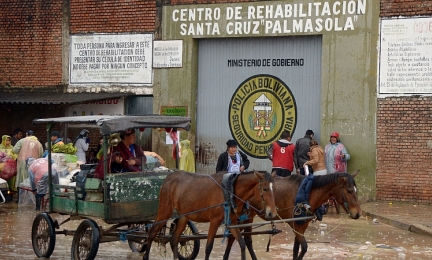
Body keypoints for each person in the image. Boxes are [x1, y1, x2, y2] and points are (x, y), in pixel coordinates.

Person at [216, 139, 250, 210]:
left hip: (239, 177)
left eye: (235, 147)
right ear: (228, 148)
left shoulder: (239, 154)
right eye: (232, 148)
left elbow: (247, 161)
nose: (234, 149)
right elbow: (218, 169)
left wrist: (243, 166)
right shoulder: (223, 156)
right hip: (227, 178)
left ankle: (245, 206)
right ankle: (230, 205)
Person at [13, 130, 43, 196]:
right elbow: (41, 155)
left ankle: (20, 197)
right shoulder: (38, 143)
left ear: (27, 134)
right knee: (31, 179)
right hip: (34, 164)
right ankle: (30, 196)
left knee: (21, 179)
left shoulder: (22, 141)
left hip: (22, 162)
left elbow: (15, 150)